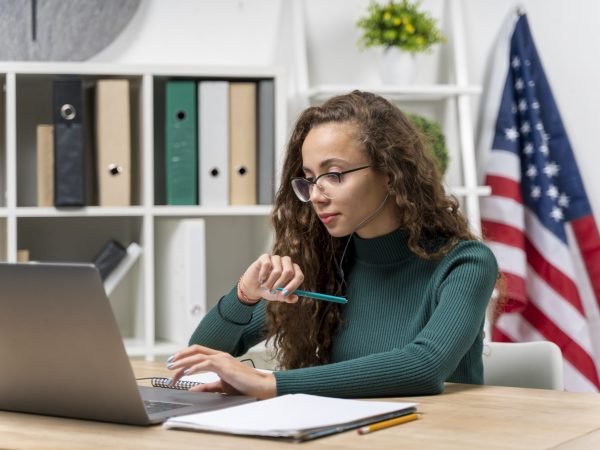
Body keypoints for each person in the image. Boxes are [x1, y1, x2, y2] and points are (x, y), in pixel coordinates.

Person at [166, 90, 498, 400]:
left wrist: (270, 383)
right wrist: (244, 295)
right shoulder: (323, 266)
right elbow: (200, 352)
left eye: (334, 175)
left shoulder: (465, 263)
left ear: (391, 172)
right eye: (309, 179)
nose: (316, 195)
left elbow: (425, 366)